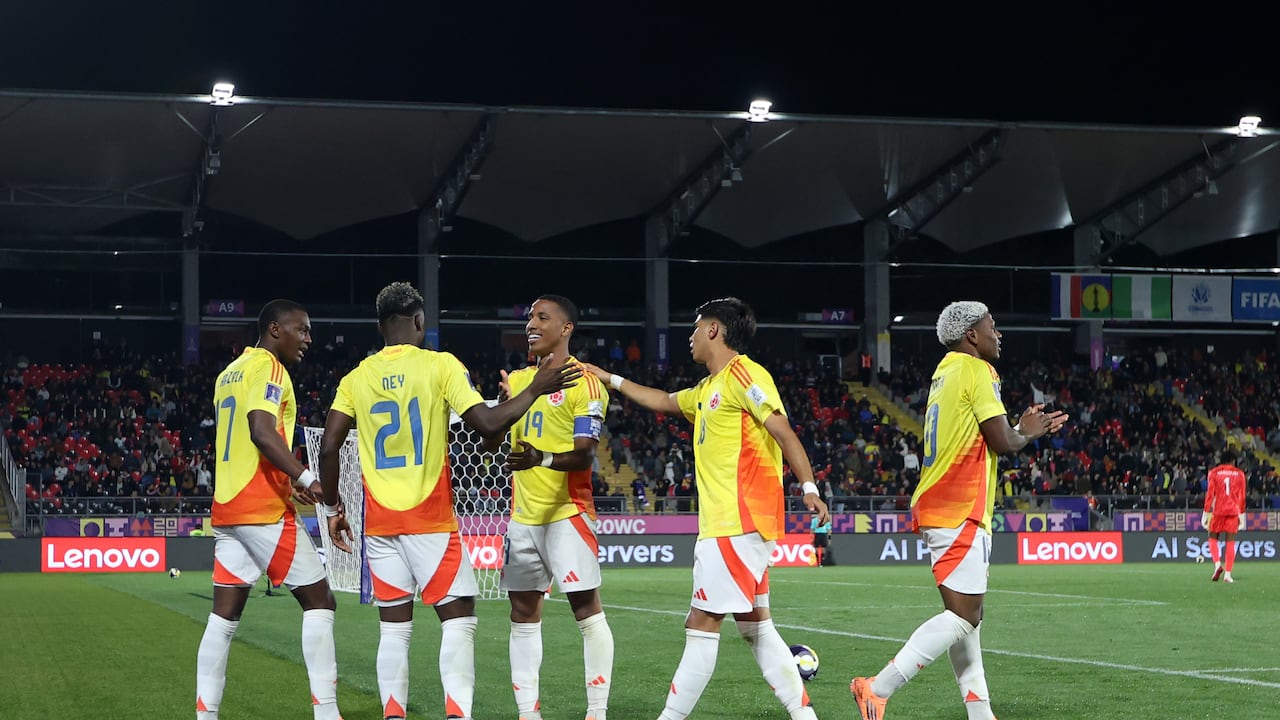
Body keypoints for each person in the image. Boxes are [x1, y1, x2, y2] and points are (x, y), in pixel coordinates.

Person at [318, 282, 581, 720]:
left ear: (380, 326)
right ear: (419, 322)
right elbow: (486, 425)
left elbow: (328, 450)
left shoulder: (355, 378)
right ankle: (457, 714)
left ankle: (393, 713)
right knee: (459, 621)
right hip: (431, 521)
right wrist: (534, 388)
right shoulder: (440, 366)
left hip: (380, 525)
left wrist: (331, 509)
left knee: (394, 628)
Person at [581, 296, 830, 720]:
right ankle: (804, 716)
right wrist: (609, 378)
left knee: (700, 626)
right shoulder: (708, 389)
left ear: (715, 330)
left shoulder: (745, 375)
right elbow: (661, 400)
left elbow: (782, 429)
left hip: (737, 521)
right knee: (756, 627)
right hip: (730, 524)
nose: (691, 336)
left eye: (696, 328)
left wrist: (808, 485)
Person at [849, 301, 1068, 720]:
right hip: (959, 505)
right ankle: (877, 688)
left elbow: (993, 433)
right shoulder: (977, 370)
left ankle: (981, 713)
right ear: (972, 335)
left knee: (970, 619)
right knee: (965, 616)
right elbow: (1003, 442)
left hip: (943, 503)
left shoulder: (945, 371)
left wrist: (1020, 428)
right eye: (992, 326)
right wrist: (1028, 432)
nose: (997, 334)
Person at [195, 299, 344, 720]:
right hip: (262, 510)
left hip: (228, 509)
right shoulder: (270, 368)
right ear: (276, 329)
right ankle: (327, 713)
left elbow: (244, 444)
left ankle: (205, 715)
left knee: (223, 619)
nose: (309, 339)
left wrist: (286, 480)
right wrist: (306, 478)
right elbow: (260, 431)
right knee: (321, 603)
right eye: (303, 329)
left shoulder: (228, 374)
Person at [482, 294, 614, 720]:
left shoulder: (585, 383)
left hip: (567, 514)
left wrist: (540, 457)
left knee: (585, 610)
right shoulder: (519, 380)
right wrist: (503, 405)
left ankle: (596, 711)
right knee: (522, 613)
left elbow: (584, 456)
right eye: (529, 317)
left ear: (566, 329)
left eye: (543, 317)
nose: (531, 325)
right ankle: (528, 713)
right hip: (523, 517)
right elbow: (490, 445)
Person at [1202, 448, 1247, 583]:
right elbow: (1242, 496)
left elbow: (1210, 495)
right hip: (1233, 511)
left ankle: (1217, 565)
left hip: (1219, 510)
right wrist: (1242, 515)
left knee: (1212, 536)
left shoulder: (1214, 473)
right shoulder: (1239, 474)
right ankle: (1228, 574)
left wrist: (1205, 512)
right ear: (1233, 461)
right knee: (1230, 542)